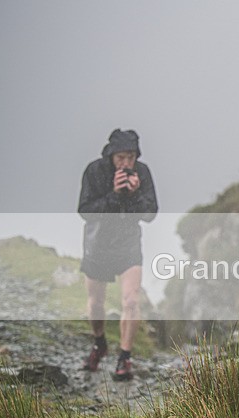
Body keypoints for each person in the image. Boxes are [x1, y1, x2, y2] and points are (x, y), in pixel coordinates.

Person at [78, 129, 158, 381]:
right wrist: (114, 195)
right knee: (96, 303)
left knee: (131, 301)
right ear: (111, 156)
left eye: (131, 157)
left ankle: (125, 357)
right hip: (98, 244)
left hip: (128, 244)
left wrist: (133, 195)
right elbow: (85, 211)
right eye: (121, 157)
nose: (126, 163)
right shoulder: (94, 171)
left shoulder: (142, 173)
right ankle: (99, 343)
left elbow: (150, 213)